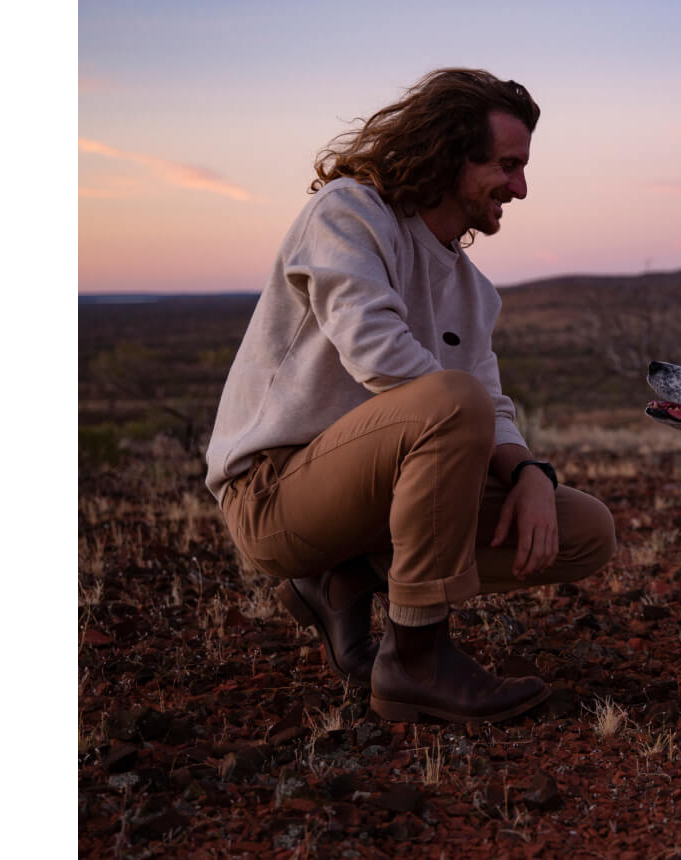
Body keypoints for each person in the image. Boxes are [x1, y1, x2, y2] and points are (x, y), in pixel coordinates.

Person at [204, 68, 613, 724]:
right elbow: (377, 353)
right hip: (275, 493)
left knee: (584, 529)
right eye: (508, 165)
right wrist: (471, 420)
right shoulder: (349, 213)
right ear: (452, 153)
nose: (521, 188)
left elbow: (490, 403)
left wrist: (530, 473)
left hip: (378, 491)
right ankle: (415, 658)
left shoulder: (472, 290)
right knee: (451, 402)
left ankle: (344, 580)